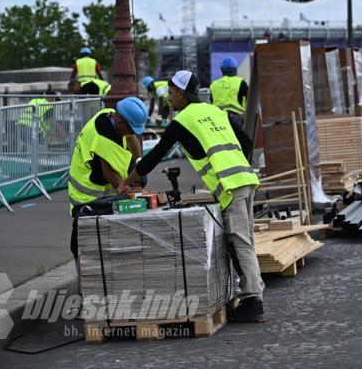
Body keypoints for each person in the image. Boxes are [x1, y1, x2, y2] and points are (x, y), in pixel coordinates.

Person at [121, 70, 265, 323]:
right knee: (245, 241)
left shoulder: (183, 120)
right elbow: (247, 141)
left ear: (181, 93)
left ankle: (253, 300)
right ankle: (251, 294)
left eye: (171, 91)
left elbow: (156, 154)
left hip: (230, 185)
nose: (168, 97)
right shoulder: (216, 111)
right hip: (246, 178)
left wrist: (129, 179)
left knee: (240, 242)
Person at [68, 97, 146, 257]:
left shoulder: (109, 114)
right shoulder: (103, 137)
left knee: (107, 235)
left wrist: (139, 166)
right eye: (131, 128)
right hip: (87, 192)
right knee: (86, 236)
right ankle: (83, 270)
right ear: (119, 120)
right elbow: (108, 172)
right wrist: (132, 193)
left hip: (105, 187)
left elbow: (131, 138)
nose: (131, 132)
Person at [209, 57, 249, 127]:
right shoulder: (241, 83)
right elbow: (249, 99)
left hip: (218, 118)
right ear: (236, 69)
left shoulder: (214, 84)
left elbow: (212, 100)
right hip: (235, 118)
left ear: (222, 70)